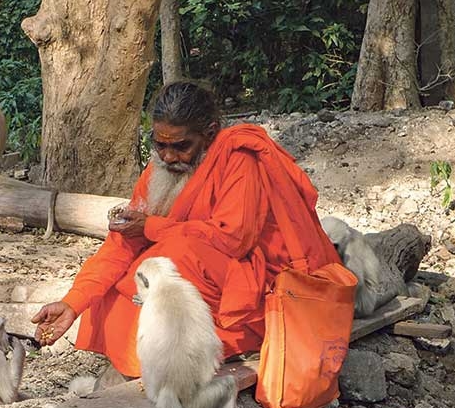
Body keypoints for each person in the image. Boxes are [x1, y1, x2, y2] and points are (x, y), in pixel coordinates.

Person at [31, 80, 341, 384]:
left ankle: (197, 347)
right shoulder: (159, 170)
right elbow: (119, 245)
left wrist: (151, 228)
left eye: (181, 146)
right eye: (159, 144)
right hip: (198, 283)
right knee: (119, 282)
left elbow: (233, 240)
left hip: (257, 283)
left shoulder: (238, 159)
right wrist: (73, 303)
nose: (167, 156)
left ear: (208, 134)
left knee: (174, 256)